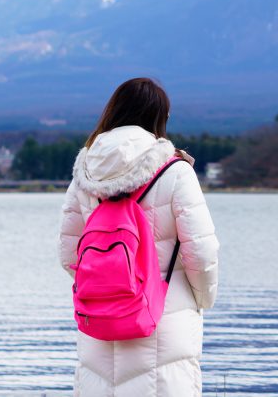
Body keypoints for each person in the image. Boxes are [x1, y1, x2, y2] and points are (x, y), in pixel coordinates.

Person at [58, 77, 219, 396]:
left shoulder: (85, 175)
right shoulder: (176, 170)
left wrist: (106, 286)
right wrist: (201, 299)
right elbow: (201, 253)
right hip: (163, 318)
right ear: (158, 118)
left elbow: (69, 254)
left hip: (99, 322)